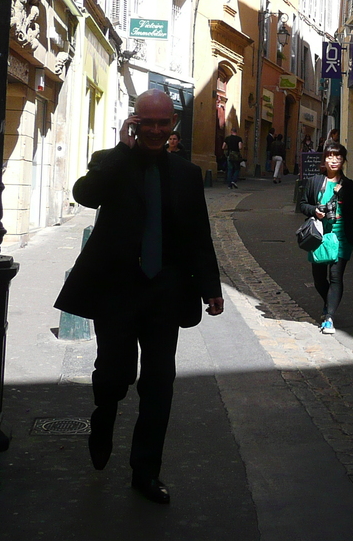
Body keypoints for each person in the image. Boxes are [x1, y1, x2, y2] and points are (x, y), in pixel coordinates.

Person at [54, 89, 225, 504]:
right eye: (146, 122)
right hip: (117, 289)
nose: (154, 130)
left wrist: (210, 288)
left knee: (159, 383)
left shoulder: (186, 174)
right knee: (114, 373)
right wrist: (121, 150)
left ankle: (146, 472)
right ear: (134, 122)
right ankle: (104, 413)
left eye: (162, 122)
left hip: (165, 290)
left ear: (173, 125)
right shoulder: (112, 163)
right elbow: (85, 195)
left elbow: (198, 235)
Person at [297, 141, 353, 335]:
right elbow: (302, 205)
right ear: (324, 159)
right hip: (319, 236)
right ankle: (329, 302)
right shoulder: (315, 181)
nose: (334, 161)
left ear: (343, 160)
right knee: (318, 279)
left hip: (341, 236)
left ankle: (329, 317)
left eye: (338, 157)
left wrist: (343, 194)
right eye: (330, 157)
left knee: (335, 277)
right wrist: (315, 211)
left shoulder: (350, 185)